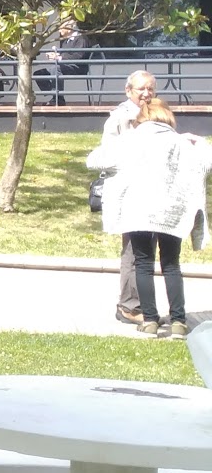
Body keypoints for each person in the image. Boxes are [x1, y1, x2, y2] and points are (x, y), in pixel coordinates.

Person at [88, 93, 212, 338]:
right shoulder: (181, 143)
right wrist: (201, 142)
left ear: (142, 117)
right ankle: (178, 321)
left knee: (143, 264)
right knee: (171, 264)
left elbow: (94, 161)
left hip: (138, 209)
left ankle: (150, 320)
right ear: (168, 116)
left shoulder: (130, 140)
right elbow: (205, 165)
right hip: (173, 212)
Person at [102, 69, 158, 326]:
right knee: (134, 251)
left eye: (150, 88)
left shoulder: (157, 113)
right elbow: (108, 156)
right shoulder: (120, 118)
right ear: (128, 91)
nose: (146, 93)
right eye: (141, 89)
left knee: (146, 252)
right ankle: (128, 306)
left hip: (152, 191)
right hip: (130, 193)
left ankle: (141, 305)